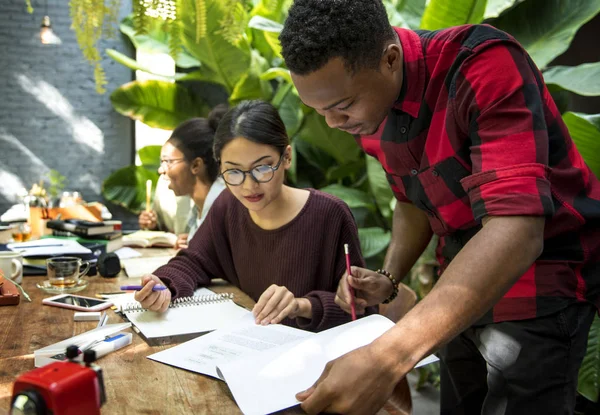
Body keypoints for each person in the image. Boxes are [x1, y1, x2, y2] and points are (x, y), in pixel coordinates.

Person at [279, 0, 600, 414]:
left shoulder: (482, 64)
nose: (333, 124)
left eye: (341, 107)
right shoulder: (371, 107)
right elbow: (411, 201)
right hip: (458, 288)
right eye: (319, 111)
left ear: (390, 59)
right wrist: (388, 277)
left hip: (539, 279)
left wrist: (386, 357)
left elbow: (516, 231)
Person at [134, 100, 371, 332]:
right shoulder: (228, 205)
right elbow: (193, 261)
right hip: (248, 349)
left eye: (262, 168)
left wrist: (302, 306)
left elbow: (361, 311)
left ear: (286, 157)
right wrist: (163, 283)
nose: (249, 186)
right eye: (234, 171)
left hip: (316, 360)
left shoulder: (329, 215)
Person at [139, 106, 228, 249]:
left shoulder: (224, 208)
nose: (161, 170)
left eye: (168, 162)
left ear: (196, 165)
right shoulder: (199, 210)